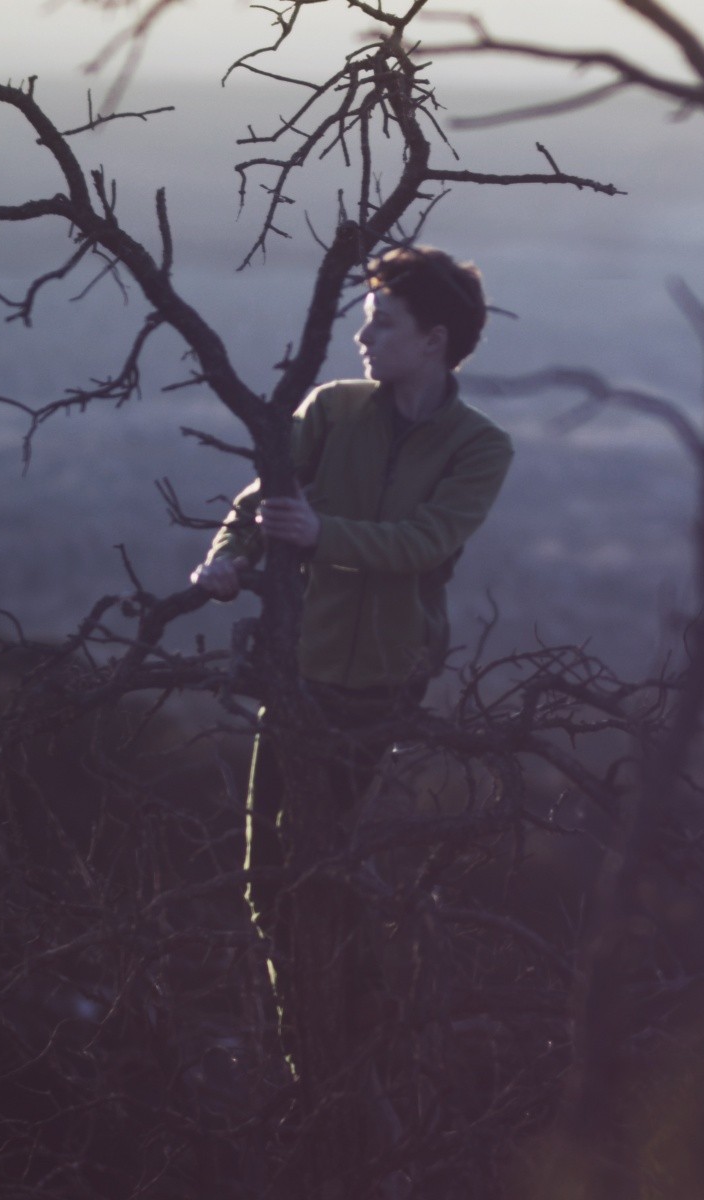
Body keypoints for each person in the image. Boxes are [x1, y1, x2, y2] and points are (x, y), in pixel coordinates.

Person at [188, 243, 513, 983]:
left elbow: (425, 543)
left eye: (383, 325)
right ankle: (303, 1016)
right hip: (298, 663)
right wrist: (230, 557)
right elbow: (261, 498)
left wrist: (321, 533)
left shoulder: (482, 448)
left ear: (435, 341)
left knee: (318, 857)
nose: (362, 340)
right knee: (265, 868)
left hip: (382, 680)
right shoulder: (333, 408)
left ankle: (337, 1007)